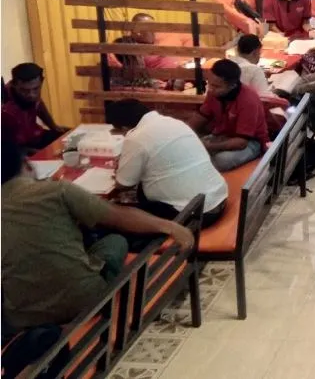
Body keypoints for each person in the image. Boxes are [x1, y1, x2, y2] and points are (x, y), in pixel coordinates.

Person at [1, 140, 194, 330]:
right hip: (85, 301)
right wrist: (168, 226)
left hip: (24, 317)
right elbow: (118, 217)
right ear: (27, 164)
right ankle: (106, 292)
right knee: (115, 241)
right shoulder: (57, 191)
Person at [106, 100, 229, 229]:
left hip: (195, 213)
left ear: (125, 128)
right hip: (216, 200)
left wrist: (121, 170)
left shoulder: (136, 137)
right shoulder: (173, 122)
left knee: (115, 215)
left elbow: (124, 184)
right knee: (143, 187)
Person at [187, 60, 268, 171]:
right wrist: (183, 134)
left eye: (216, 86)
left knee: (222, 160)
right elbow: (200, 118)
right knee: (188, 150)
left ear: (232, 86)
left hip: (251, 142)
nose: (210, 89)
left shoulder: (248, 101)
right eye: (209, 84)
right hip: (222, 135)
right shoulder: (213, 93)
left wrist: (209, 147)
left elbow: (241, 143)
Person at [2, 63, 67, 151]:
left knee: (69, 137)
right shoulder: (4, 105)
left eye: (36, 89)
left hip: (35, 136)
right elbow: (7, 148)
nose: (31, 95)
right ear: (14, 84)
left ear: (41, 82)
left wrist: (54, 127)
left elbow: (39, 105)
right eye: (24, 90)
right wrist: (40, 153)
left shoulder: (31, 94)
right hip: (16, 147)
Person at [230, 34, 272, 98]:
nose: (259, 56)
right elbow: (265, 97)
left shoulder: (227, 63)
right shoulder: (254, 70)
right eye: (259, 53)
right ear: (255, 52)